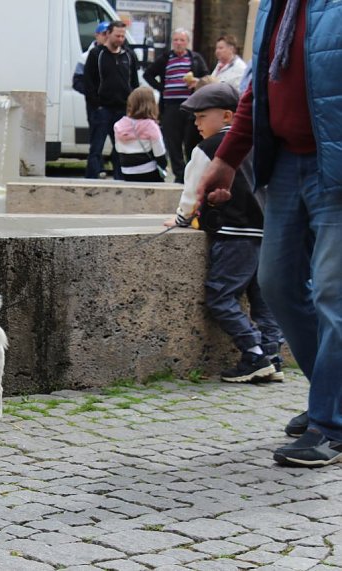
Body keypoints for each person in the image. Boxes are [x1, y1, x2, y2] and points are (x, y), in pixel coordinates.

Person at [195, 0, 342, 467]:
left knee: (333, 293)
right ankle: (332, 398)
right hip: (285, 165)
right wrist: (226, 160)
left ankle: (331, 425)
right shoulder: (275, 7)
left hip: (335, 166)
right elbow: (258, 90)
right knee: (277, 284)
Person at [165, 83, 283, 386]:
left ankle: (254, 354)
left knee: (220, 295)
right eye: (195, 118)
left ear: (228, 115)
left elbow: (194, 192)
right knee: (262, 299)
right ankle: (272, 355)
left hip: (234, 232)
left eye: (202, 116)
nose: (196, 123)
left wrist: (181, 218)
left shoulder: (208, 149)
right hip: (264, 230)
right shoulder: (258, 144)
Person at [143, 28, 209, 183]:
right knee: (173, 142)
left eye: (182, 40)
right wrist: (162, 88)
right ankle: (180, 175)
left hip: (191, 106)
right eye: (176, 40)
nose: (178, 43)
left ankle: (192, 174)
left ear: (187, 42)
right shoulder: (166, 58)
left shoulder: (195, 58)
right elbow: (148, 74)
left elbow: (206, 77)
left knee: (191, 141)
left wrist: (197, 82)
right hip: (171, 106)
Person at [83, 21, 139, 180]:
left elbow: (134, 82)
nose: (120, 39)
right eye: (117, 36)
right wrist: (96, 104)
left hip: (123, 109)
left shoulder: (129, 55)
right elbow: (88, 82)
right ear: (108, 34)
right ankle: (91, 179)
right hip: (102, 109)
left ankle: (120, 179)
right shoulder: (96, 54)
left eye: (122, 36)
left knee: (121, 148)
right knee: (96, 147)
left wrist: (132, 106)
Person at [114, 87, 167, 183]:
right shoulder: (151, 126)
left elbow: (118, 149)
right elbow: (160, 154)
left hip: (126, 172)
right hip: (148, 173)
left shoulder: (118, 125)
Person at [73, 21, 109, 96]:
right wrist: (91, 93)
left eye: (109, 34)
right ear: (97, 35)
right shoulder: (85, 57)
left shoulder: (119, 55)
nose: (107, 37)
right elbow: (77, 81)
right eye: (104, 34)